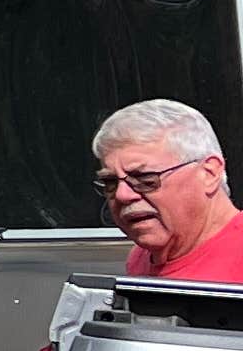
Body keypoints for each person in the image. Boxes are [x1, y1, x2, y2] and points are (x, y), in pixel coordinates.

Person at [90, 98, 243, 281]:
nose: (122, 195)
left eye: (144, 179)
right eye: (110, 182)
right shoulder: (142, 257)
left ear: (209, 173)